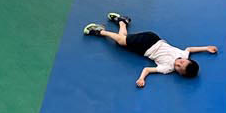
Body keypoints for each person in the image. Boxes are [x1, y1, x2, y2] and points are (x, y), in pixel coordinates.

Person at [83, 13, 217, 89]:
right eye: (182, 62)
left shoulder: (167, 68)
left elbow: (147, 69)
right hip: (150, 41)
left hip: (145, 45)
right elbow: (190, 49)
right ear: (186, 59)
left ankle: (122, 22)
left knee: (122, 41)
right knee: (121, 41)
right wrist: (206, 48)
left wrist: (141, 79)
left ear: (180, 74)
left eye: (179, 68)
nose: (178, 63)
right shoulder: (183, 54)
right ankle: (99, 31)